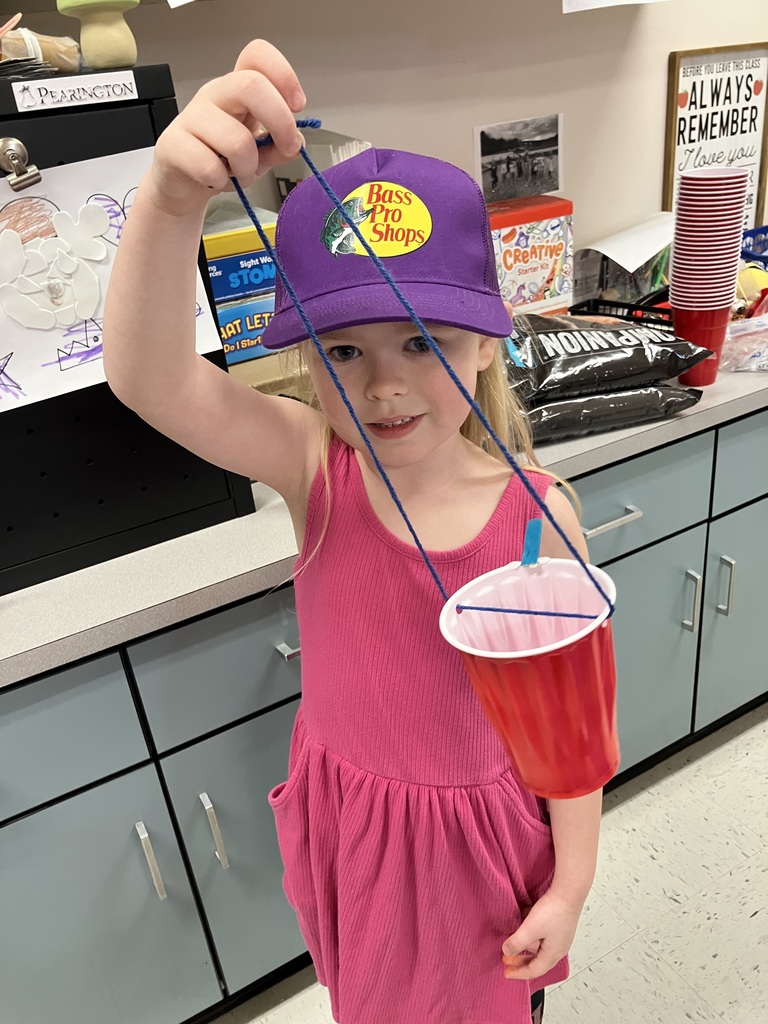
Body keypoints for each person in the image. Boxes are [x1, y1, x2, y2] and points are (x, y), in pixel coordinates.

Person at [103, 39, 602, 1024]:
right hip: (360, 839)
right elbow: (147, 375)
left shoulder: (539, 518)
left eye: (423, 341)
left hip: (485, 854)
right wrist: (167, 198)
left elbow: (573, 730)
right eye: (343, 350)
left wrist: (574, 881)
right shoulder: (314, 468)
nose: (383, 386)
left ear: (486, 338)